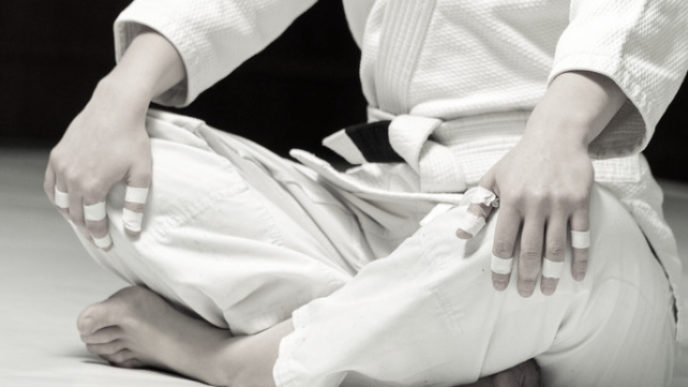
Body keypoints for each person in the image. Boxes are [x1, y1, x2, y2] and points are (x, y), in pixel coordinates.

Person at [44, 1, 687, 386]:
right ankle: (433, 355)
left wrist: (559, 134)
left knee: (546, 232)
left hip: (565, 213)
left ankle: (238, 363)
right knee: (129, 172)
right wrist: (115, 98)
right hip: (387, 209)